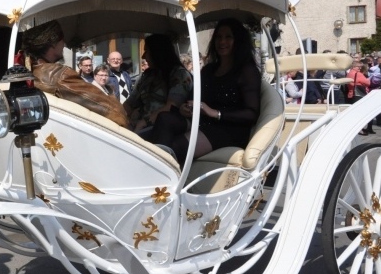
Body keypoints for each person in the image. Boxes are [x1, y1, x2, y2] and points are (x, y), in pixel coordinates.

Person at [146, 18, 261, 166]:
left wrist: (215, 113)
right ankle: (152, 169)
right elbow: (193, 98)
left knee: (175, 147)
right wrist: (184, 108)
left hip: (229, 129)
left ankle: (161, 177)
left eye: (228, 37)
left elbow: (251, 114)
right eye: (218, 37)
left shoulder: (247, 72)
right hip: (203, 122)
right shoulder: (209, 70)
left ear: (238, 41)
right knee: (164, 118)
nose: (222, 41)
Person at [22, 21, 128, 128]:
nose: (64, 45)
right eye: (62, 40)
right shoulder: (59, 75)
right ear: (53, 43)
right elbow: (115, 111)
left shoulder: (32, 70)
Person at [124, 34, 192, 135]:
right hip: (134, 126)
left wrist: (144, 122)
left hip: (159, 129)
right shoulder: (146, 76)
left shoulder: (179, 74)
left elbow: (172, 106)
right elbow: (129, 103)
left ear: (158, 52)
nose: (143, 56)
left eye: (146, 51)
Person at [346, 61, 373, 135]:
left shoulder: (349, 73)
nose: (360, 68)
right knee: (360, 113)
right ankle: (359, 129)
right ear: (354, 66)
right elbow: (368, 83)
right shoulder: (358, 74)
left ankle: (357, 128)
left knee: (354, 113)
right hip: (359, 94)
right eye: (359, 67)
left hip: (351, 93)